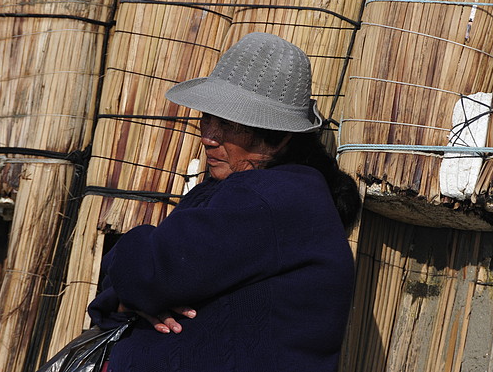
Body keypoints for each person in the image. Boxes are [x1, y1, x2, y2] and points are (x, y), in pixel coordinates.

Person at [87, 32, 360, 372]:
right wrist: (136, 294)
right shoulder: (271, 191)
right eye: (207, 117)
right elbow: (137, 285)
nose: (208, 137)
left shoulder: (268, 198)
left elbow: (149, 273)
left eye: (228, 125)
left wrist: (135, 267)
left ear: (278, 137)